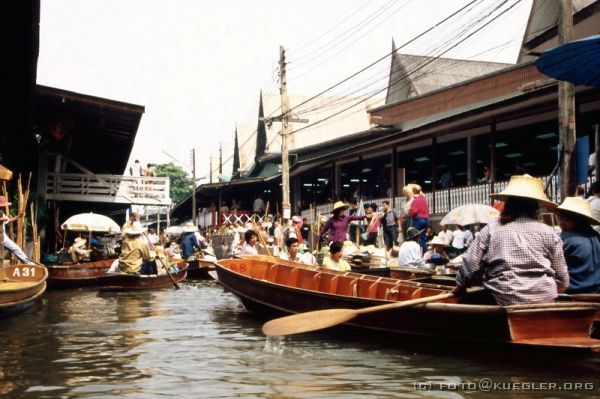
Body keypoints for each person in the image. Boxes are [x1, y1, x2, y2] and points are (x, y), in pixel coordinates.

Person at [454, 174, 569, 306]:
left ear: (508, 204)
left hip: (504, 299)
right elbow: (563, 280)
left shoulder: (492, 229)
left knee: (464, 302)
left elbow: (470, 266)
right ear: (535, 208)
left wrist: (461, 284)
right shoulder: (549, 232)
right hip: (545, 300)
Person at [554, 197, 600, 294]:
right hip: (596, 291)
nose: (561, 223)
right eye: (561, 218)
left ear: (576, 220)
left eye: (565, 219)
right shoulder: (596, 236)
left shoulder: (566, 239)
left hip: (574, 292)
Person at [0, 198, 33, 265]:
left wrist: (19, 216)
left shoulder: (1, 213)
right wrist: (2, 219)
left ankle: (29, 264)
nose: (4, 207)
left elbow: (8, 220)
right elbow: (4, 219)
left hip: (3, 236)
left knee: (16, 248)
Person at [408, 185, 429, 253]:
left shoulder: (415, 200)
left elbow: (414, 211)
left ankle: (417, 254)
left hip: (418, 219)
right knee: (423, 238)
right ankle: (426, 255)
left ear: (413, 192)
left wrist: (409, 211)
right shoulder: (424, 200)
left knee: (416, 238)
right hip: (425, 219)